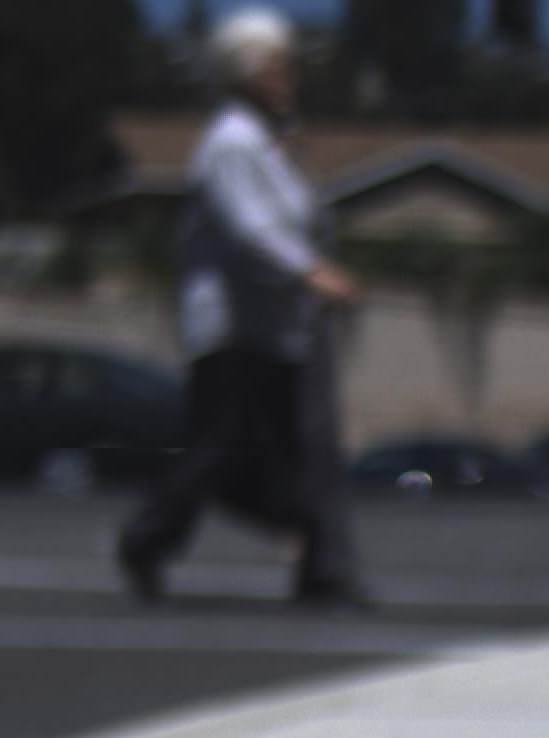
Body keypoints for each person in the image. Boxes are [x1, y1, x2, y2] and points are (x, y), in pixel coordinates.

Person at [115, 6, 370, 610]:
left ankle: (319, 566)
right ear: (244, 71)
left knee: (294, 450)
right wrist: (311, 271)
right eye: (276, 66)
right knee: (220, 448)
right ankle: (147, 538)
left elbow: (299, 216)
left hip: (275, 327)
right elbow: (250, 227)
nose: (288, 77)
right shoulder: (231, 142)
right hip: (233, 328)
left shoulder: (265, 144)